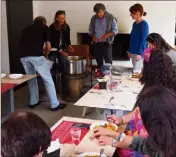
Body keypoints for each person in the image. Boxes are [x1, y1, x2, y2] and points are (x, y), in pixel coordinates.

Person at [93, 51, 176, 157]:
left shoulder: (162, 96)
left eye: (143, 67)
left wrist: (114, 138)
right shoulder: (162, 141)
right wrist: (114, 131)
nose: (141, 70)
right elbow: (144, 144)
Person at [93, 86, 176, 157]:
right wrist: (111, 134)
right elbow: (142, 144)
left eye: (141, 114)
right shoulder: (163, 138)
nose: (138, 117)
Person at [19, 16, 66, 111]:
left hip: (23, 56)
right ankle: (54, 104)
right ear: (44, 22)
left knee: (31, 78)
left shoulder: (26, 28)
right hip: (36, 56)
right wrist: (46, 55)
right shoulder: (45, 27)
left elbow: (27, 42)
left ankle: (33, 102)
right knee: (48, 79)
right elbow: (48, 46)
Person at [89, 3, 118, 75]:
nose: (98, 14)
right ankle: (101, 80)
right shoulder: (93, 18)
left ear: (104, 10)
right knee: (99, 62)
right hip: (97, 43)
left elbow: (115, 30)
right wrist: (93, 36)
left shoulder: (110, 18)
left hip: (107, 43)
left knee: (108, 63)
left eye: (100, 12)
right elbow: (90, 31)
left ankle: (109, 80)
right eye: (96, 13)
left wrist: (107, 35)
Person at [128, 3, 149, 73]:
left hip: (139, 53)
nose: (130, 15)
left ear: (138, 13)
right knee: (135, 72)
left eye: (132, 13)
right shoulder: (134, 24)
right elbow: (132, 38)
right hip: (133, 52)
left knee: (136, 72)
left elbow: (144, 40)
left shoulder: (144, 25)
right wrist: (130, 51)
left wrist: (140, 53)